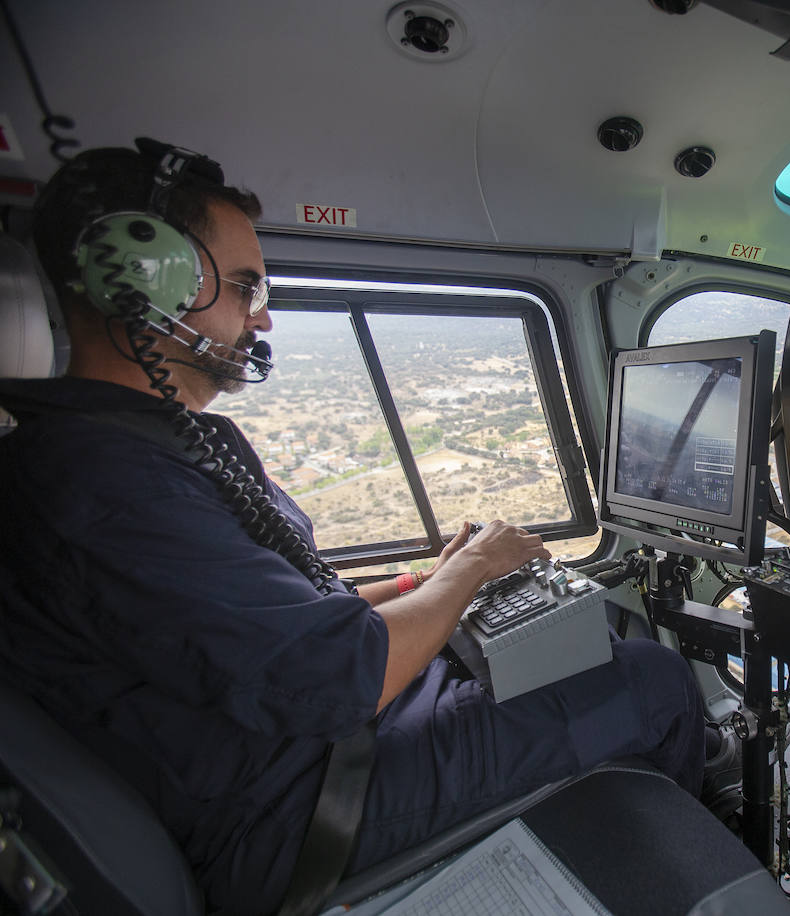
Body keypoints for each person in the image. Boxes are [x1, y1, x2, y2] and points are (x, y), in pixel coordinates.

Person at [0, 141, 707, 914]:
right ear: (139, 283)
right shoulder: (108, 485)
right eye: (243, 288)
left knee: (590, 647)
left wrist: (422, 580)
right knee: (654, 680)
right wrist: (469, 573)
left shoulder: (141, 445)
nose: (262, 315)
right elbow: (333, 679)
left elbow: (290, 615)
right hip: (294, 807)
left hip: (302, 752)